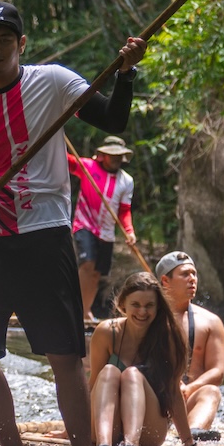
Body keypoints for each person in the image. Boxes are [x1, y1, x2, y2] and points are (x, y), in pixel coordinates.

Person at [0, 0, 147, 446]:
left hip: (46, 234)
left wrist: (126, 73)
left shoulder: (53, 81)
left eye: (4, 40)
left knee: (62, 354)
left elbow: (113, 121)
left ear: (21, 44)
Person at [87, 272, 199, 446]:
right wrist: (69, 431)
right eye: (136, 305)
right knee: (108, 371)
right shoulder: (107, 332)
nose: (142, 312)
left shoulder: (168, 337)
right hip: (108, 425)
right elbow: (93, 385)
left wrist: (189, 442)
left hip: (147, 428)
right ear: (123, 305)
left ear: (158, 307)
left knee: (132, 374)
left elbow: (173, 391)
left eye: (149, 306)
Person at [155, 251, 224, 440]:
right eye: (185, 274)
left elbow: (218, 371)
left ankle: (193, 433)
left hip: (188, 398)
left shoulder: (211, 322)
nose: (192, 279)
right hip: (155, 399)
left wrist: (189, 388)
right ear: (165, 280)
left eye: (194, 274)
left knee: (211, 391)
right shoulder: (147, 318)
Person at [69, 136, 136, 321]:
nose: (115, 159)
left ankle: (85, 310)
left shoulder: (126, 181)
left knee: (97, 273)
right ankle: (76, 309)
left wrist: (129, 231)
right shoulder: (87, 167)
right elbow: (66, 161)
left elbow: (124, 210)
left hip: (106, 232)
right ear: (102, 155)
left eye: (118, 156)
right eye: (111, 155)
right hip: (85, 224)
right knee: (87, 264)